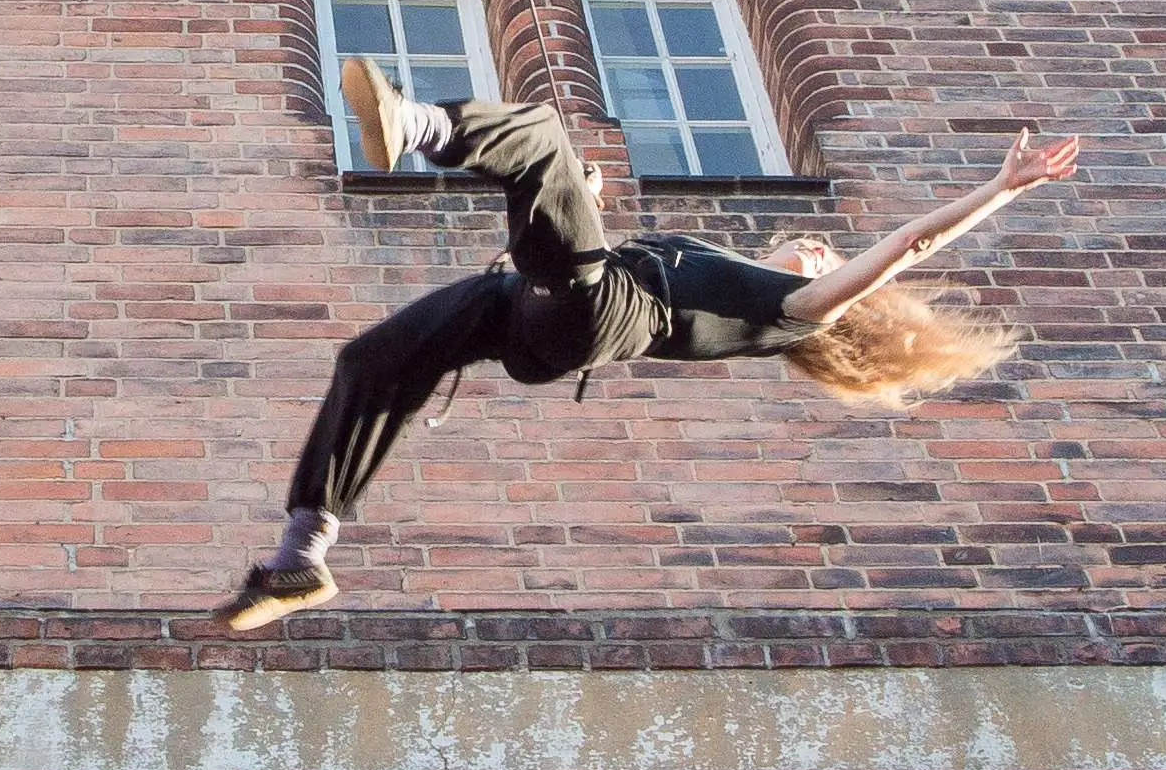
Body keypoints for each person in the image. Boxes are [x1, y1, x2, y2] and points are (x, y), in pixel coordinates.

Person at [217, 57, 1079, 631]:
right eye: (815, 246)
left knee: (548, 137)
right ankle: (301, 560)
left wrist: (1001, 189)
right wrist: (576, 204)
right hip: (536, 307)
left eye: (825, 250)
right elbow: (577, 239)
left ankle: (417, 129)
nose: (815, 246)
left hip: (603, 317)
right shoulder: (718, 265)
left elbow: (908, 248)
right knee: (371, 362)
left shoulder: (798, 309)